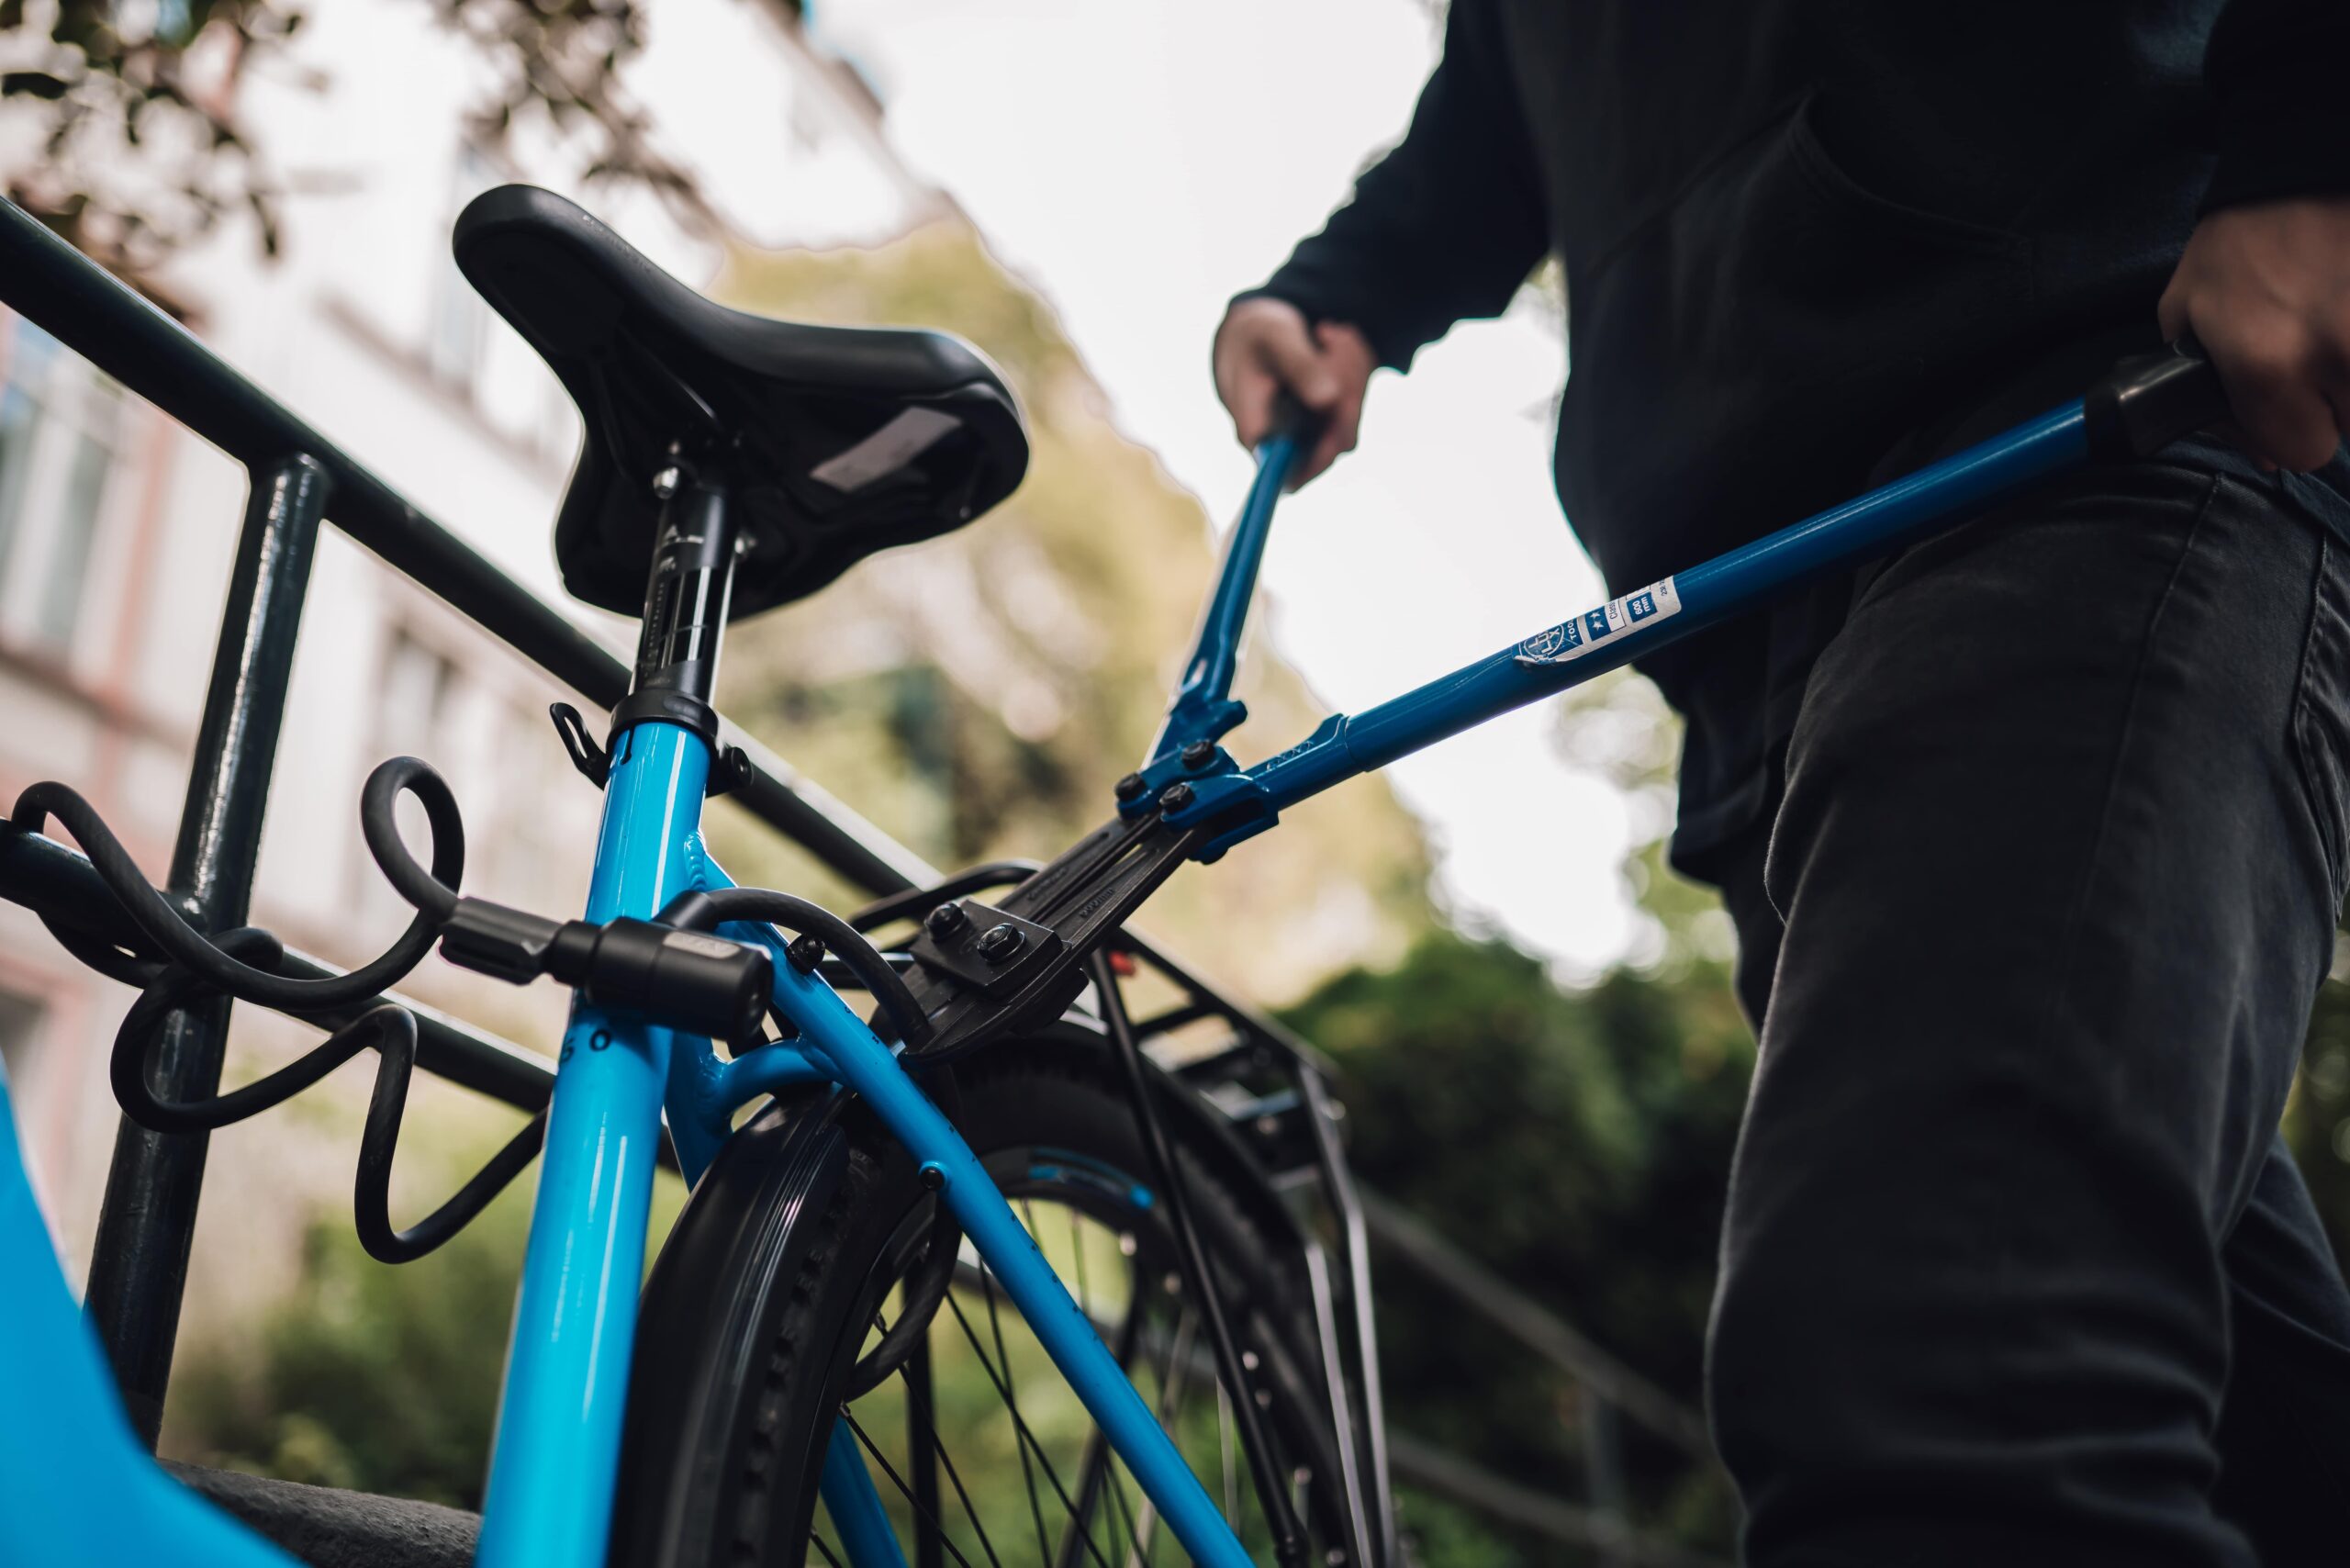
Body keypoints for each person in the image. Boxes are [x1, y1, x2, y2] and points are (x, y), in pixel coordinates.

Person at [1214, 4, 2350, 1563]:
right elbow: (1499, 119)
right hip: (1753, 644)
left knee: (1942, 1397)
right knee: (2251, 1444)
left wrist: (2315, 136)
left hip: (2083, 441)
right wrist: (1337, 293)